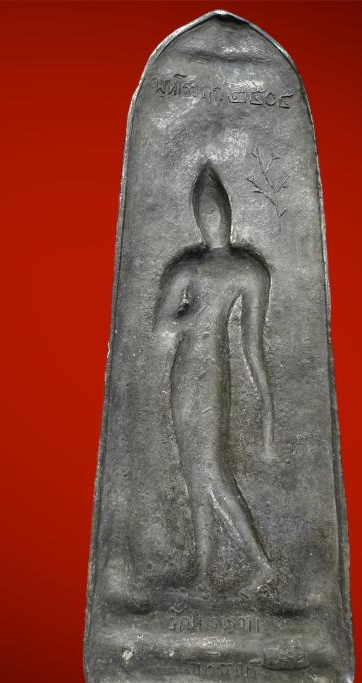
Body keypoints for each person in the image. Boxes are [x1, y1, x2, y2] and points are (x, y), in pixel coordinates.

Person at [155, 163, 274, 593]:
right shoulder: (186, 268)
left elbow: (252, 344)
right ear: (196, 217)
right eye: (204, 212)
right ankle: (205, 571)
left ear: (228, 211)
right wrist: (190, 318)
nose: (212, 218)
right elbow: (161, 325)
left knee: (212, 470)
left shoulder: (248, 270)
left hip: (213, 372)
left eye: (217, 209)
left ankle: (259, 563)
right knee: (193, 472)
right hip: (186, 370)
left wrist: (267, 406)